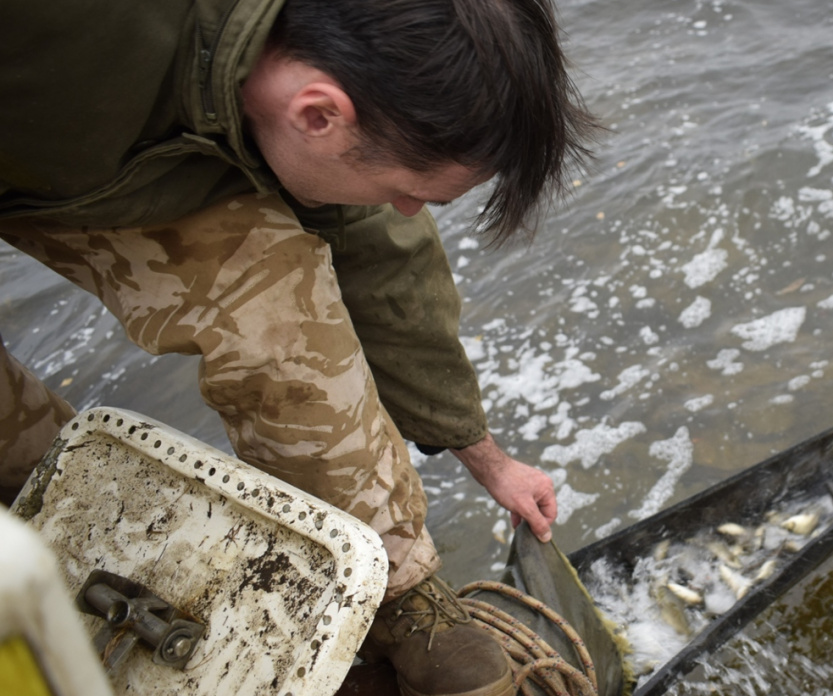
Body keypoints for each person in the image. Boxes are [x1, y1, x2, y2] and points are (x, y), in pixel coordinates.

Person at [0, 0, 600, 694]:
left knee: (277, 313)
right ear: (319, 115)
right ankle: (52, 550)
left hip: (143, 152)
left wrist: (485, 456)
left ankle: (391, 600)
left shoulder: (347, 81)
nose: (409, 210)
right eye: (413, 193)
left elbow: (386, 264)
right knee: (23, 462)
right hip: (46, 114)